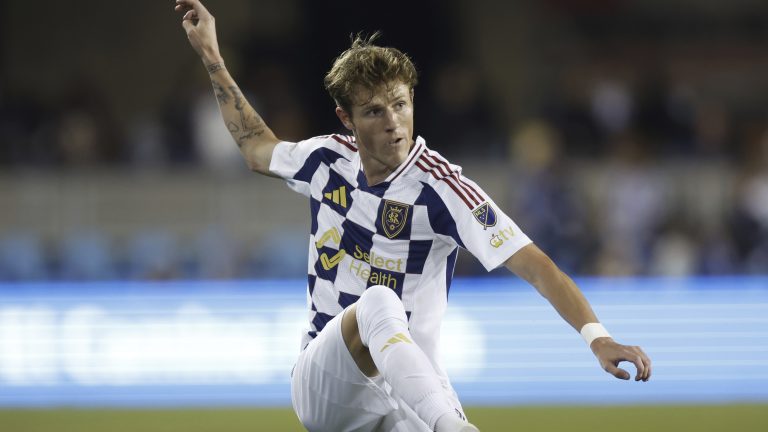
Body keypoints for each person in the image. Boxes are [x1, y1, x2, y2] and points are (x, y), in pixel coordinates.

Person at [174, 1, 652, 431]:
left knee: (415, 374)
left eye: (400, 105)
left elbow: (535, 264)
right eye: (374, 112)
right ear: (346, 119)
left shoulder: (443, 189)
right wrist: (211, 55)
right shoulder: (325, 160)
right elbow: (256, 147)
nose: (393, 123)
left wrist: (598, 338)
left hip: (408, 390)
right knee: (379, 303)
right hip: (328, 384)